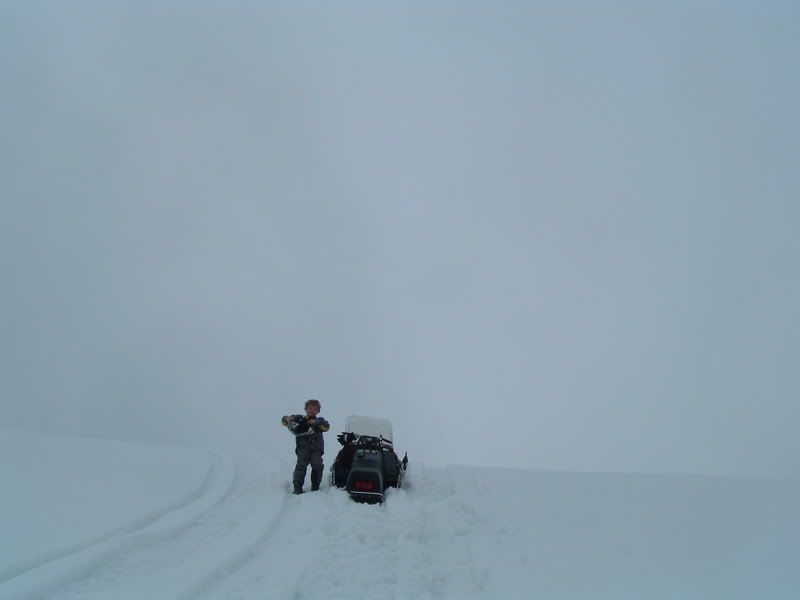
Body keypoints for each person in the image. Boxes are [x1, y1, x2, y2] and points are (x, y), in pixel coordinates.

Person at [281, 399, 330, 494]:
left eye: (315, 409)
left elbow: (326, 427)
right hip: (303, 448)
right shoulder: (299, 418)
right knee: (301, 466)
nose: (312, 410)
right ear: (306, 409)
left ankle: (315, 486)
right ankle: (297, 487)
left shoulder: (320, 420)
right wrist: (286, 418)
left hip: (316, 449)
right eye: (310, 408)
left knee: (317, 464)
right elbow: (284, 421)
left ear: (318, 411)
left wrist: (316, 423)